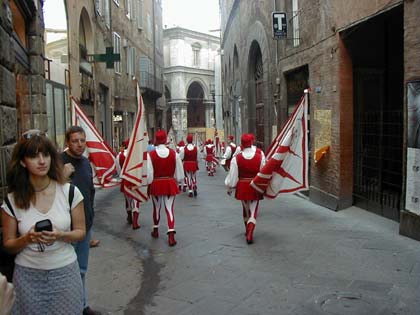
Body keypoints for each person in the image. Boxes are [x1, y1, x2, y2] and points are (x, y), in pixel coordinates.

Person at [1, 129, 86, 314]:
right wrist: (27, 239)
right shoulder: (12, 200)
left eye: (46, 154)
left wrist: (61, 235)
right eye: (34, 156)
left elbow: (81, 232)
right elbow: (8, 244)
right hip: (27, 277)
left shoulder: (70, 192)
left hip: (65, 274)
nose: (41, 161)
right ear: (23, 162)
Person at [61, 126, 102, 315]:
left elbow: (90, 191)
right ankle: (68, 307)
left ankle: (82, 305)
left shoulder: (86, 163)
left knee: (82, 269)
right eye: (75, 141)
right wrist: (61, 177)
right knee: (65, 271)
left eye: (82, 141)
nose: (79, 145)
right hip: (66, 229)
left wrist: (91, 218)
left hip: (85, 226)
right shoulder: (59, 163)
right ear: (67, 142)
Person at [225, 133, 265, 244]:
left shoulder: (236, 158)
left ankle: (247, 230)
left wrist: (229, 187)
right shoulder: (260, 156)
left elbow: (233, 176)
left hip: (242, 186)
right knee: (253, 211)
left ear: (242, 144)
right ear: (251, 142)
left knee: (245, 209)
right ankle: (250, 233)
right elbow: (263, 172)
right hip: (254, 186)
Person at [147, 130, 184, 246]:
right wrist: (178, 181)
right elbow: (179, 172)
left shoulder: (150, 155)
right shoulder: (174, 154)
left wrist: (149, 183)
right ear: (165, 140)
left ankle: (156, 230)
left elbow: (149, 173)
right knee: (169, 209)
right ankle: (171, 235)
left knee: (156, 208)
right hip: (169, 183)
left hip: (156, 183)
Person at [117, 139, 140, 229]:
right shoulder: (137, 155)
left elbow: (118, 168)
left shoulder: (120, 155)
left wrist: (121, 176)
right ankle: (135, 221)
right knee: (136, 199)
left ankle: (129, 215)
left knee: (127, 199)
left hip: (125, 179)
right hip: (135, 179)